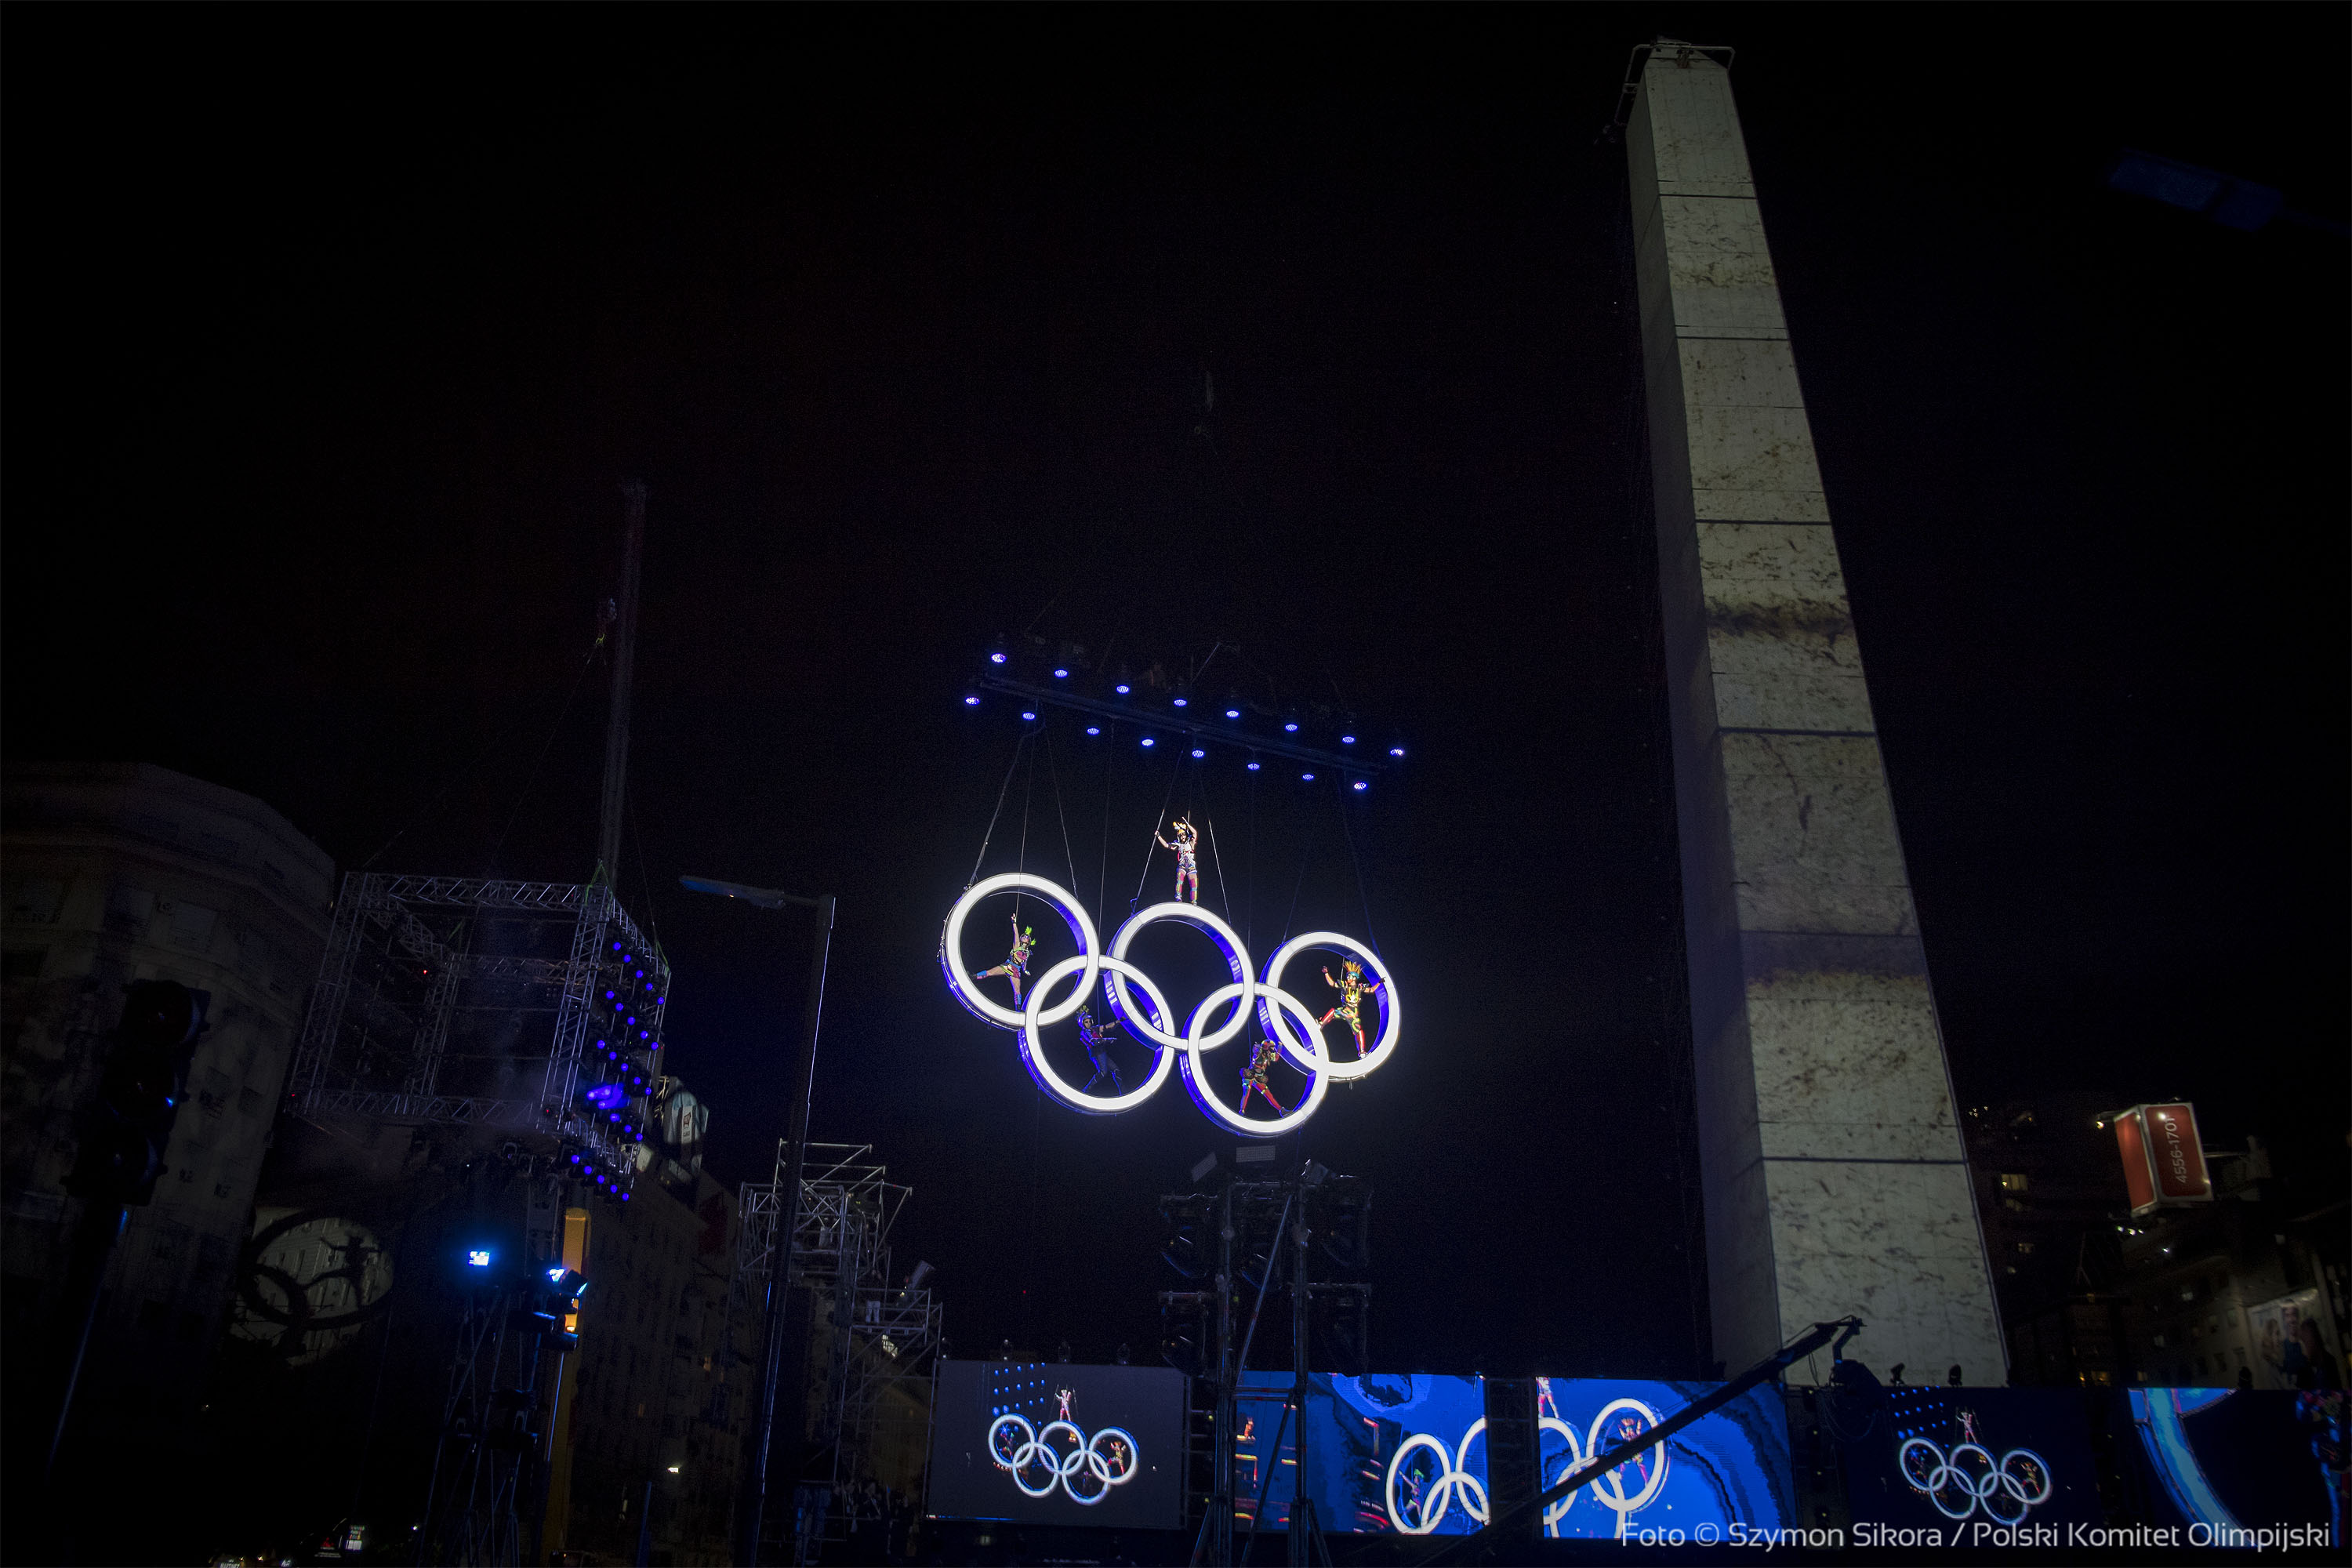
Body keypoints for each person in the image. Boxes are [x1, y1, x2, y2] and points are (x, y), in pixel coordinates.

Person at [1316, 959, 1384, 1055]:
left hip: (1353, 1015)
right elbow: (1332, 984)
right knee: (1332, 1011)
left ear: (1355, 978)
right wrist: (1326, 973)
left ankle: (1362, 1052)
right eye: (1347, 976)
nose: (1348, 978)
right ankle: (1321, 1024)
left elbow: (1372, 990)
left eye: (1350, 976)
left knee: (1359, 1031)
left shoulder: (1360, 987)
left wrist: (1379, 983)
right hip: (1345, 1010)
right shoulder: (1345, 985)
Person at [974, 916, 1034, 1004]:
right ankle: (974, 976)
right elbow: (1016, 934)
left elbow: (1024, 963)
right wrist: (1014, 923)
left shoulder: (1027, 953)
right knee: (990, 972)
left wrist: (1025, 970)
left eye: (1026, 937)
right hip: (1009, 965)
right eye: (1023, 936)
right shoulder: (1017, 945)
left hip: (1016, 970)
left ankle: (1018, 1008)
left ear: (1028, 942)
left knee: (1017, 990)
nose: (1024, 937)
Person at [1077, 1008, 1125, 1094]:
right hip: (1096, 1053)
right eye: (1086, 1022)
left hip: (1102, 1052)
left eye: (1089, 1021)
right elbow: (1094, 1042)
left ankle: (1123, 1092)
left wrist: (1118, 1021)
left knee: (1116, 1070)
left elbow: (1107, 1027)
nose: (1089, 1023)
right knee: (1103, 1072)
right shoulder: (1084, 1032)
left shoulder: (1095, 1028)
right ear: (1083, 1024)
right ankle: (1086, 1090)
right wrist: (1108, 1039)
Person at [1155, 815, 1200, 903]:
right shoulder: (1177, 844)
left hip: (1191, 866)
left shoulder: (1191, 842)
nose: (1182, 836)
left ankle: (1193, 901)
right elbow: (1167, 845)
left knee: (1194, 885)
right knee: (1179, 881)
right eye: (1181, 835)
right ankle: (1178, 897)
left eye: (1183, 834)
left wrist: (1187, 824)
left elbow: (1195, 833)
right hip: (1182, 865)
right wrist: (1159, 836)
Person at [1240, 1037, 1289, 1116]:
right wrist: (1257, 1047)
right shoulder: (1259, 1053)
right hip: (1250, 1076)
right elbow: (1256, 1051)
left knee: (1268, 1094)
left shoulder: (1268, 1056)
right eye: (1271, 1048)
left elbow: (1276, 1058)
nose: (1272, 1050)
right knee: (1246, 1092)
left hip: (1259, 1078)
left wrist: (1280, 1046)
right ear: (1267, 1048)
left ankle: (1281, 1110)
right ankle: (1242, 1111)